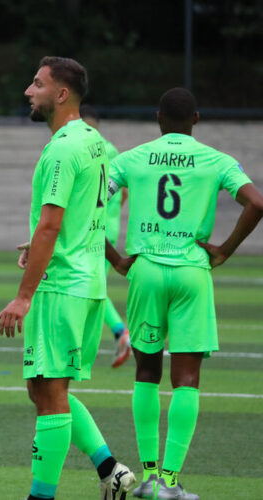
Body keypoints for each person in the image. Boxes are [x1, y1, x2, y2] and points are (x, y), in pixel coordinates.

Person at [106, 87, 263, 500]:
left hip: (145, 271)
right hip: (192, 270)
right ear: (196, 119)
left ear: (158, 118)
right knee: (187, 378)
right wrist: (225, 250)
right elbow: (257, 203)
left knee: (146, 372)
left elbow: (85, 199)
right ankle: (171, 484)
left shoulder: (132, 157)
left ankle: (148, 478)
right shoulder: (216, 160)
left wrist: (114, 257)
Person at [0, 57, 136, 500]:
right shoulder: (93, 140)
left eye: (37, 84)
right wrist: (36, 247)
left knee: (50, 394)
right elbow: (72, 217)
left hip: (62, 287)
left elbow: (52, 224)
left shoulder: (60, 149)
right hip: (85, 280)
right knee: (41, 389)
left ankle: (41, 496)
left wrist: (23, 296)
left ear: (61, 94)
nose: (27, 91)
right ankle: (110, 469)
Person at [80, 104, 131, 367]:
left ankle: (121, 332)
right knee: (91, 283)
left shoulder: (82, 147)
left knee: (90, 285)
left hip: (91, 227)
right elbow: (123, 192)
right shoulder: (111, 149)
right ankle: (118, 333)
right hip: (109, 226)